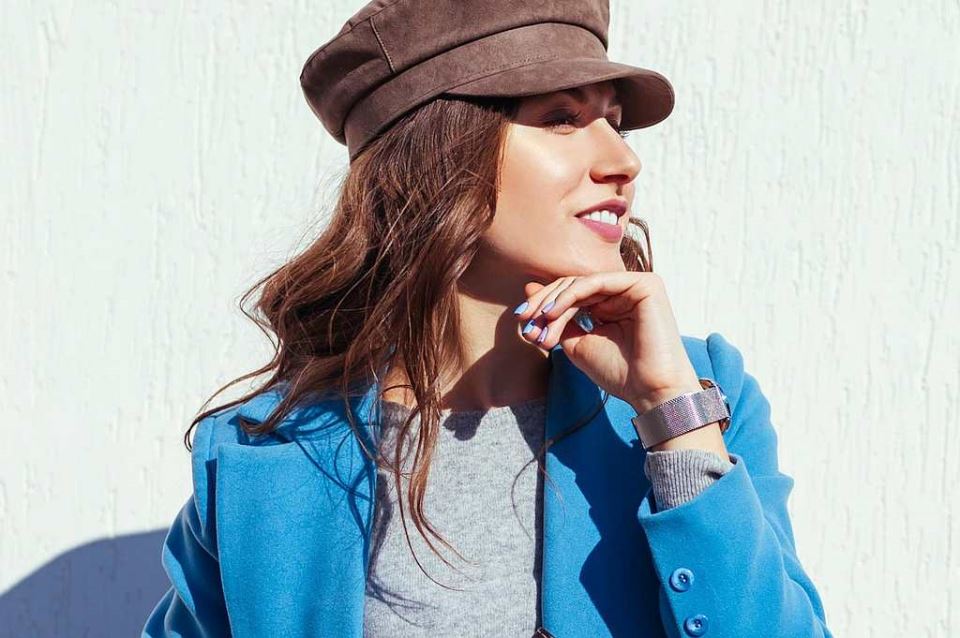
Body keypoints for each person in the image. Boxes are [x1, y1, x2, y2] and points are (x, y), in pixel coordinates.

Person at [142, 1, 833, 636]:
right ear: (437, 154)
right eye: (562, 119)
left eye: (615, 123)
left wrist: (671, 416)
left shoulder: (702, 397)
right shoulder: (265, 460)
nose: (624, 160)